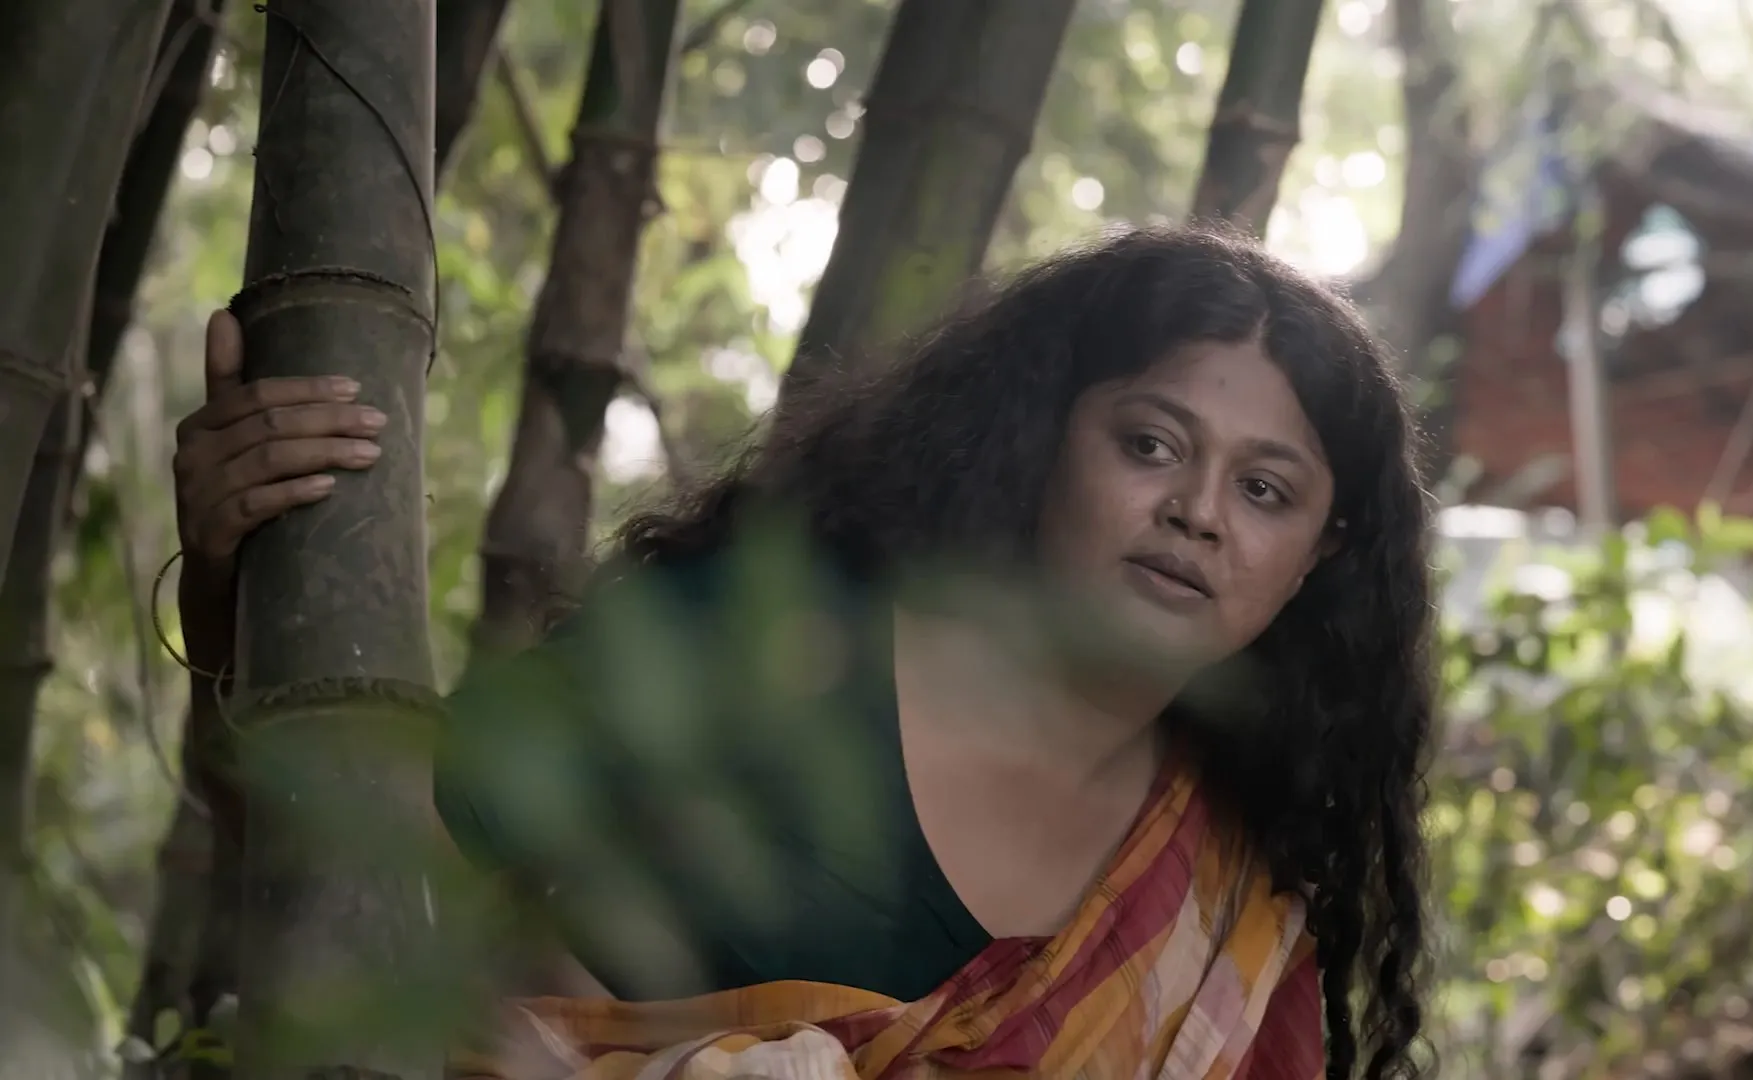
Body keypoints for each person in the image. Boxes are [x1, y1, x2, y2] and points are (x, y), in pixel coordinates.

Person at [172, 226, 1435, 1079]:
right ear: (1047, 436)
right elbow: (359, 874)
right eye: (1150, 445)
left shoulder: (1223, 906)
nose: (1198, 512)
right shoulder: (776, 645)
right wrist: (244, 583)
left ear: (1319, 556)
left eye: (1266, 491)